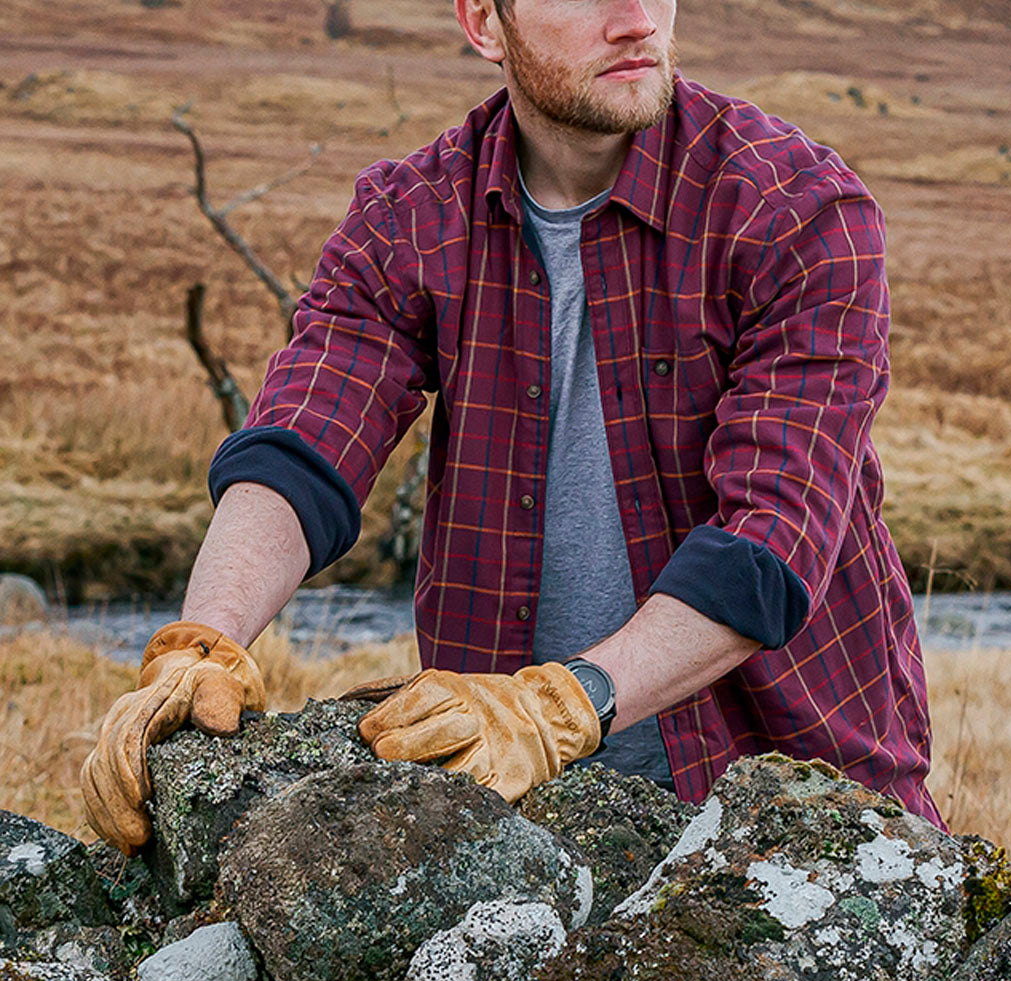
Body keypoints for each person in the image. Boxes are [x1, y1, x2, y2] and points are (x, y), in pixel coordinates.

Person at [81, 0, 944, 856]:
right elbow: (307, 441)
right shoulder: (410, 216)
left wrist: (564, 706)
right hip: (509, 819)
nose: (638, 19)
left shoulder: (797, 209)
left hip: (802, 824)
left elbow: (774, 536)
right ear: (485, 24)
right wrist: (203, 642)